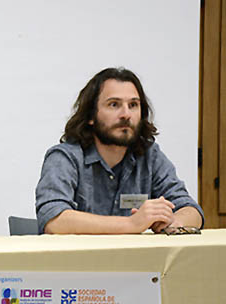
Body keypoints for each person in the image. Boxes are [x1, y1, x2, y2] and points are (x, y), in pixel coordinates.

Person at [36, 67, 203, 234]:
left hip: (135, 260)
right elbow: (53, 219)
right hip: (77, 260)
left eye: (133, 105)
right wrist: (131, 224)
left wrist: (173, 223)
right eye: (114, 104)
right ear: (91, 116)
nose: (126, 114)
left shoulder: (150, 156)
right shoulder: (65, 157)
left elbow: (192, 210)